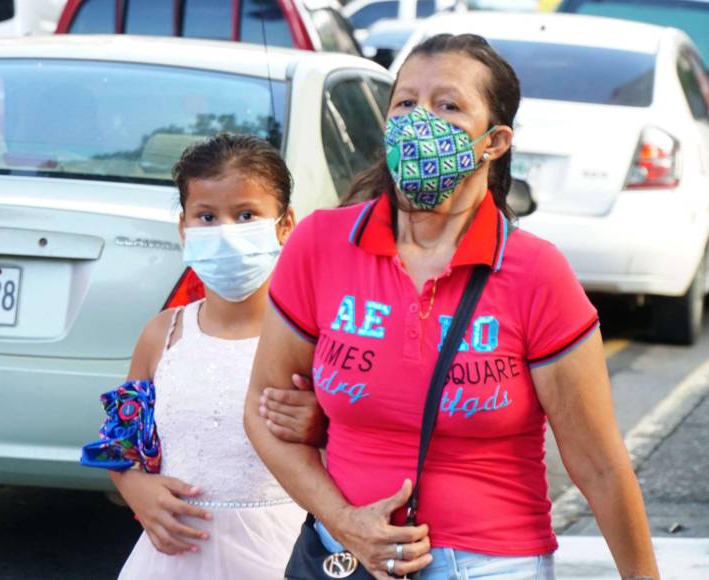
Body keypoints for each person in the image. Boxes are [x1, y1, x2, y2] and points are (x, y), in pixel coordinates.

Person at [245, 34, 660, 580]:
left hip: (492, 564)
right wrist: (346, 522)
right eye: (406, 103)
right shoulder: (322, 244)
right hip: (344, 555)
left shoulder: (537, 275)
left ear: (494, 141)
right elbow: (263, 412)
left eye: (448, 106)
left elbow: (600, 466)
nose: (421, 121)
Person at [112, 133, 317, 579]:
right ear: (184, 228)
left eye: (246, 215)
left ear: (285, 225)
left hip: (279, 556)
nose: (225, 233)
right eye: (206, 216)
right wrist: (137, 490)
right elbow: (118, 443)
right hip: (169, 561)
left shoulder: (311, 340)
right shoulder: (162, 335)